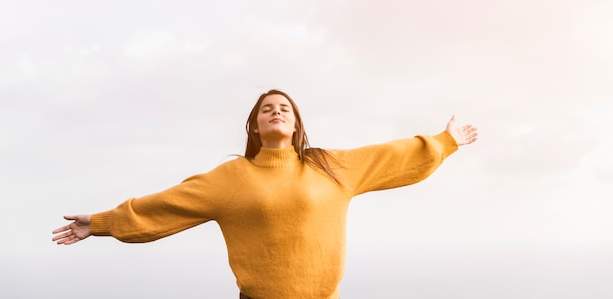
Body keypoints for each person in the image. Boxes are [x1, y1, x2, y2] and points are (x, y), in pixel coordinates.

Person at [52, 89, 478, 299]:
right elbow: (164, 206)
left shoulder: (328, 166)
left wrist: (446, 140)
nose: (276, 112)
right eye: (266, 109)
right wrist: (102, 223)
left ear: (295, 125)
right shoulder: (231, 177)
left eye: (285, 108)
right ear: (254, 126)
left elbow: (395, 155)